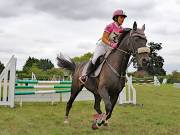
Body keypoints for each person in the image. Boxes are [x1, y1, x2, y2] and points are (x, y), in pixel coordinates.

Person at [79, 9, 127, 83]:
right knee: (95, 59)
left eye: (123, 18)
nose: (123, 19)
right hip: (103, 46)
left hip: (111, 48)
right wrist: (111, 44)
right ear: (116, 18)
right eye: (121, 17)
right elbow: (104, 38)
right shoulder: (110, 26)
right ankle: (85, 76)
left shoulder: (122, 29)